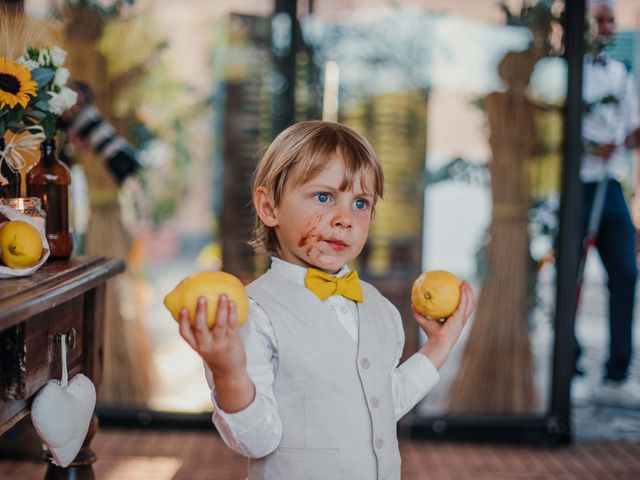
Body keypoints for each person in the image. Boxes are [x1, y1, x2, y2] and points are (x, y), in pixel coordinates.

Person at [178, 121, 475, 479]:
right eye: (324, 197)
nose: (345, 219)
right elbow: (257, 440)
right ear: (269, 207)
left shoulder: (379, 307)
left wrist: (440, 344)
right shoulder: (253, 312)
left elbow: (380, 404)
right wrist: (228, 371)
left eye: (361, 203)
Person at [574, 0, 640, 408]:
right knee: (571, 275)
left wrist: (626, 139)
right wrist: (587, 145)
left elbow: (633, 130)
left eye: (611, 20)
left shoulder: (621, 75)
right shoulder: (566, 74)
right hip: (574, 185)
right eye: (600, 20)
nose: (607, 27)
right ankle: (572, 361)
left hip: (610, 185)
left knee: (626, 271)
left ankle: (618, 367)